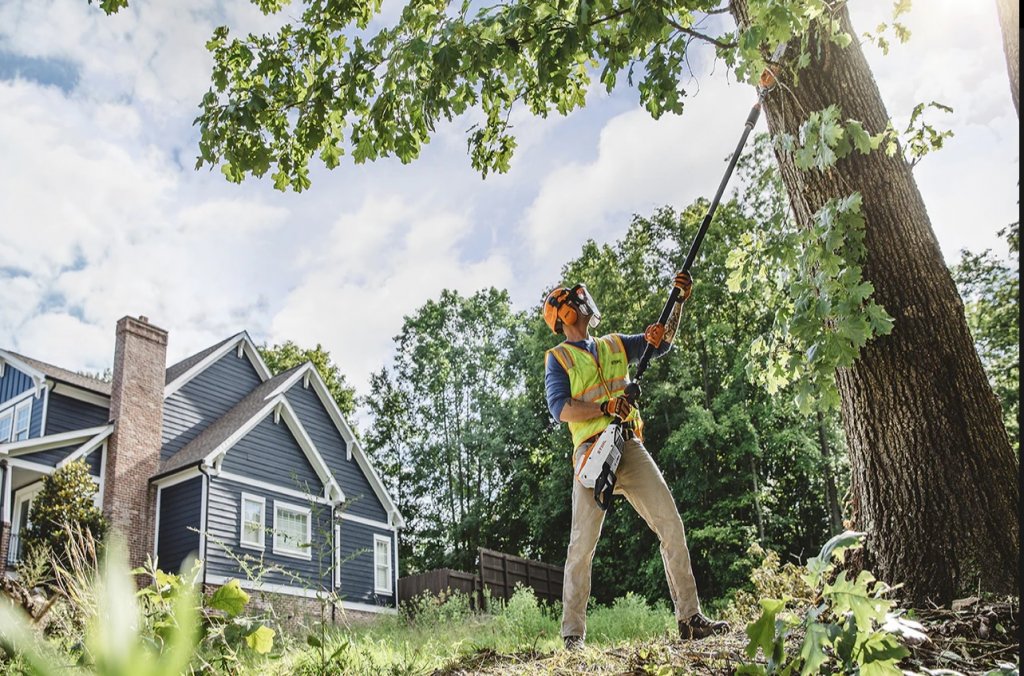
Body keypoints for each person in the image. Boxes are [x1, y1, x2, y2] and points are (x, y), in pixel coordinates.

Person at [542, 271, 729, 649]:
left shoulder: (613, 344)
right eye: (577, 301)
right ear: (564, 315)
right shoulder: (558, 359)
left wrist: (677, 303)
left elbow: (661, 343)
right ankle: (572, 636)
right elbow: (559, 408)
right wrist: (604, 405)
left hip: (628, 446)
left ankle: (690, 619)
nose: (585, 304)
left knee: (671, 524)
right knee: (581, 545)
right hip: (592, 454)